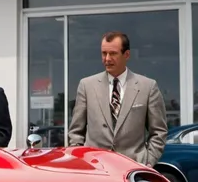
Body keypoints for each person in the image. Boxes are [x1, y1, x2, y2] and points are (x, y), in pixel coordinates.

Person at [68, 31, 167, 167]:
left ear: (126, 55)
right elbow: (75, 132)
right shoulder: (86, 86)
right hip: (94, 169)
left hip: (133, 169)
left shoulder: (148, 87)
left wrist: (148, 162)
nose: (107, 59)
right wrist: (80, 160)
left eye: (113, 53)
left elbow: (159, 132)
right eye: (104, 53)